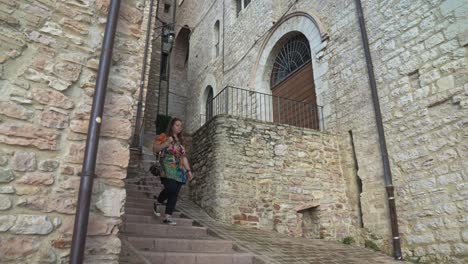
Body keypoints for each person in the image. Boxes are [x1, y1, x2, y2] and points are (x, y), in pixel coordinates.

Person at [152, 117, 193, 225]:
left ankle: (168, 217)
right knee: (171, 188)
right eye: (177, 125)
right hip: (166, 167)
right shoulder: (163, 136)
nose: (179, 128)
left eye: (181, 126)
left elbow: (183, 157)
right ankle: (158, 201)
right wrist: (166, 143)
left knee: (175, 192)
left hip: (179, 170)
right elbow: (155, 149)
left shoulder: (180, 141)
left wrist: (188, 171)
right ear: (171, 126)